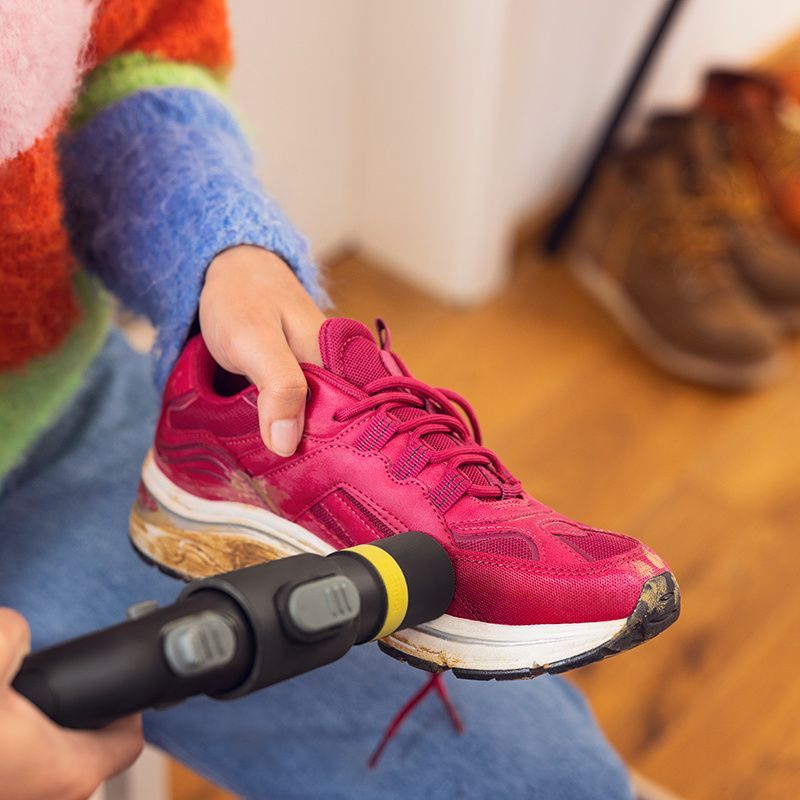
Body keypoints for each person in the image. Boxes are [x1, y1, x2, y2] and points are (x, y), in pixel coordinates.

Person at [0, 1, 635, 797]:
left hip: (51, 416)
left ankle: (208, 459)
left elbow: (121, 65)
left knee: (550, 783)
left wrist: (219, 246)